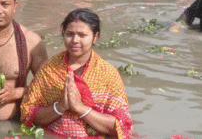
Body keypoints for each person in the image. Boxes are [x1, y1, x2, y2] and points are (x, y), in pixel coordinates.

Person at [20, 8, 133, 138]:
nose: (74, 40)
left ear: (95, 37)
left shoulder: (108, 74)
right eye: (69, 34)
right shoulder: (49, 69)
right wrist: (60, 107)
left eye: (82, 35)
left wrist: (80, 108)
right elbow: (28, 115)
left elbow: (121, 126)